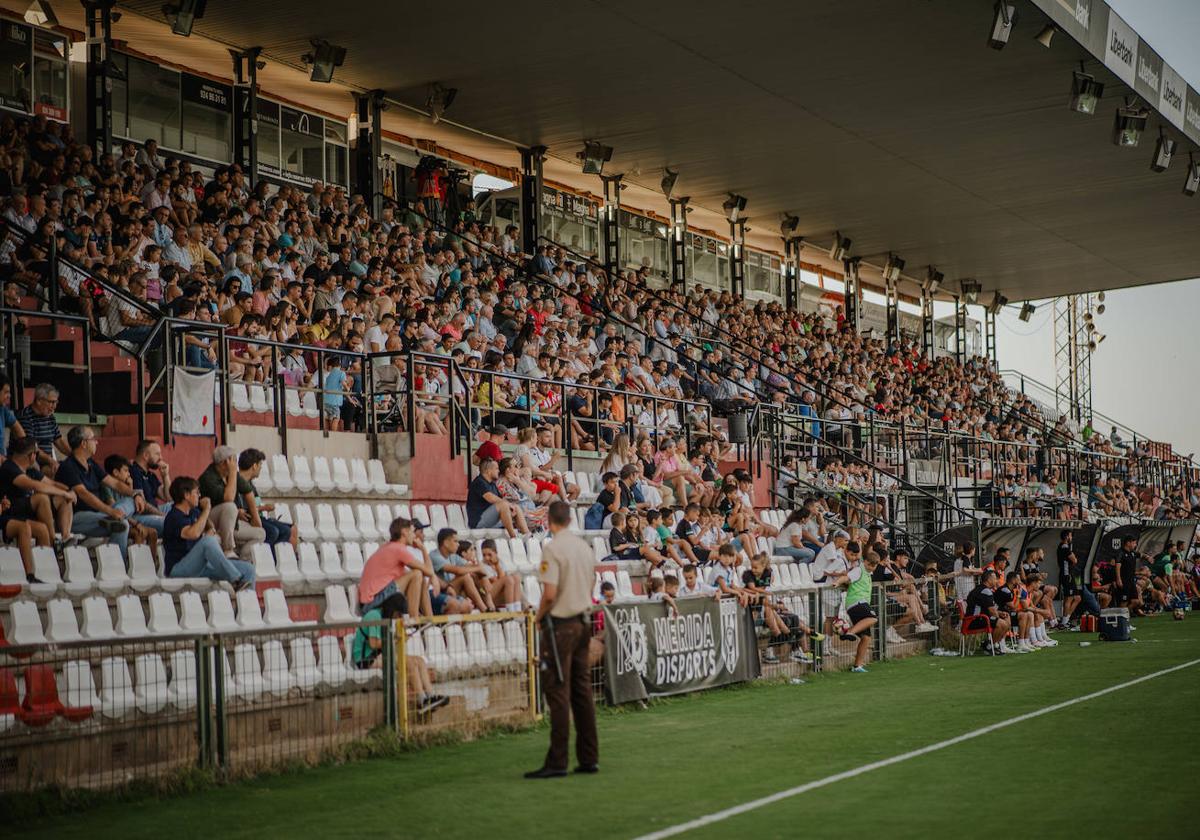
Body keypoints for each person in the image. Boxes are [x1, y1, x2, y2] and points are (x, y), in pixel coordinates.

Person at [525, 501, 598, 779]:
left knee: (557, 690)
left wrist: (539, 617)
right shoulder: (583, 547)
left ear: (549, 520)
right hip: (583, 621)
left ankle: (557, 761)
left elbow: (550, 594)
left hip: (561, 625)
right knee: (582, 691)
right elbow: (591, 585)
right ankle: (589, 757)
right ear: (569, 519)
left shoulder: (553, 548)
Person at [351, 592, 449, 715]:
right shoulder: (374, 616)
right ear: (392, 609)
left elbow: (387, 644)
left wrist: (399, 639)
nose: (398, 618)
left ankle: (431, 695)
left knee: (419, 660)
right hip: (366, 659)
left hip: (378, 655)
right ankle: (422, 699)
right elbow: (374, 644)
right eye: (398, 614)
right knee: (409, 663)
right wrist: (395, 639)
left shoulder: (384, 618)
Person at [162, 476, 255, 588]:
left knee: (248, 569)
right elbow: (193, 533)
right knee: (207, 542)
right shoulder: (173, 517)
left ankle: (246, 604)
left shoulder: (193, 512)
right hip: (179, 569)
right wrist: (206, 510)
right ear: (186, 495)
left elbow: (208, 524)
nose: (199, 496)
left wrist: (211, 528)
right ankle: (235, 580)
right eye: (196, 493)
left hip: (200, 566)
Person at [0, 436, 72, 579]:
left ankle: (45, 571)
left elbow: (51, 484)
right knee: (41, 498)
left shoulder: (31, 471)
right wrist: (64, 492)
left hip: (23, 515)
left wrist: (69, 491)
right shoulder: (9, 467)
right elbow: (34, 485)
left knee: (42, 529)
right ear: (32, 455)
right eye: (37, 454)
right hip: (7, 512)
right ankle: (31, 573)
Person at [56, 426, 131, 559]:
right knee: (121, 525)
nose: (96, 442)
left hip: (97, 515)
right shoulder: (68, 466)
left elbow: (114, 483)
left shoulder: (91, 463)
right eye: (93, 439)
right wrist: (110, 511)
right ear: (83, 443)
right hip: (76, 517)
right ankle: (115, 566)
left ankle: (120, 515)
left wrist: (135, 494)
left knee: (130, 501)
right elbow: (83, 494)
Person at [198, 445, 265, 560]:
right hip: (211, 522)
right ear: (224, 462)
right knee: (230, 506)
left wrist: (256, 518)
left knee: (261, 533)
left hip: (231, 523)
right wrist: (233, 472)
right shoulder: (208, 477)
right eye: (233, 460)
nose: (235, 463)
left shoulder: (229, 473)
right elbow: (228, 498)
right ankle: (228, 549)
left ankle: (241, 560)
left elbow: (248, 491)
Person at [358, 517, 428, 618]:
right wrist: (423, 549)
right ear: (404, 532)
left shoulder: (389, 547)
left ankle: (429, 622)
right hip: (370, 604)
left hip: (372, 600)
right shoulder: (398, 549)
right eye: (412, 532)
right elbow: (429, 571)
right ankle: (414, 619)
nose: (414, 536)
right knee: (417, 574)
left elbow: (426, 573)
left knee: (420, 578)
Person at [830, 544, 880, 672]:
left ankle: (857, 666)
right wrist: (837, 582)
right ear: (865, 562)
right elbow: (847, 577)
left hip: (861, 603)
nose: (872, 568)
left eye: (874, 566)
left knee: (866, 638)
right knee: (873, 618)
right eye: (870, 565)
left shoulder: (868, 572)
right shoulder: (858, 570)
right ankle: (850, 631)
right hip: (856, 603)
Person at [13, 383, 68, 474]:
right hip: (30, 462)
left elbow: (59, 441)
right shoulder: (26, 417)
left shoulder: (50, 417)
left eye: (56, 402)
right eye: (51, 402)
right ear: (39, 400)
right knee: (57, 472)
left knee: (72, 470)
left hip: (46, 462)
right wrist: (51, 461)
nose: (54, 406)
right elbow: (31, 447)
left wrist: (75, 456)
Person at [466, 457, 527, 537]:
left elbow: (502, 499)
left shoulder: (492, 484)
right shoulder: (479, 482)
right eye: (496, 469)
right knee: (504, 504)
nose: (498, 471)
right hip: (478, 522)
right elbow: (491, 498)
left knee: (516, 507)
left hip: (491, 520)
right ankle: (513, 537)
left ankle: (527, 535)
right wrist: (508, 505)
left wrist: (511, 509)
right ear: (488, 471)